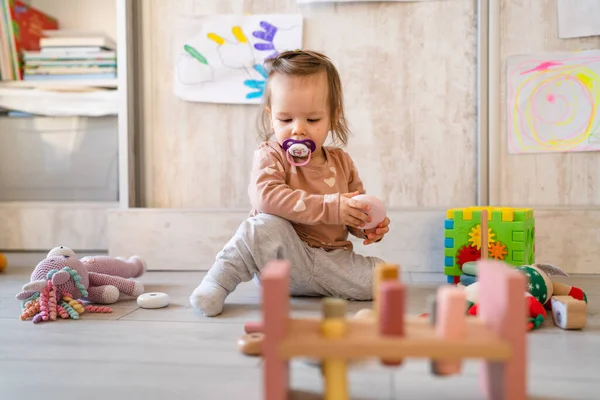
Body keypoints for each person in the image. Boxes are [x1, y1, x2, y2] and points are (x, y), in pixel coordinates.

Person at [190, 49, 391, 317]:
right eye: (285, 119)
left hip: (330, 260)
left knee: (384, 277)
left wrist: (366, 225)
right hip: (281, 259)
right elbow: (266, 197)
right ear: (271, 115)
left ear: (333, 116)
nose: (298, 128)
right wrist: (331, 207)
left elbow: (351, 212)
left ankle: (319, 285)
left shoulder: (342, 162)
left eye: (312, 119)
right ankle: (216, 282)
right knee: (261, 226)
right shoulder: (271, 154)